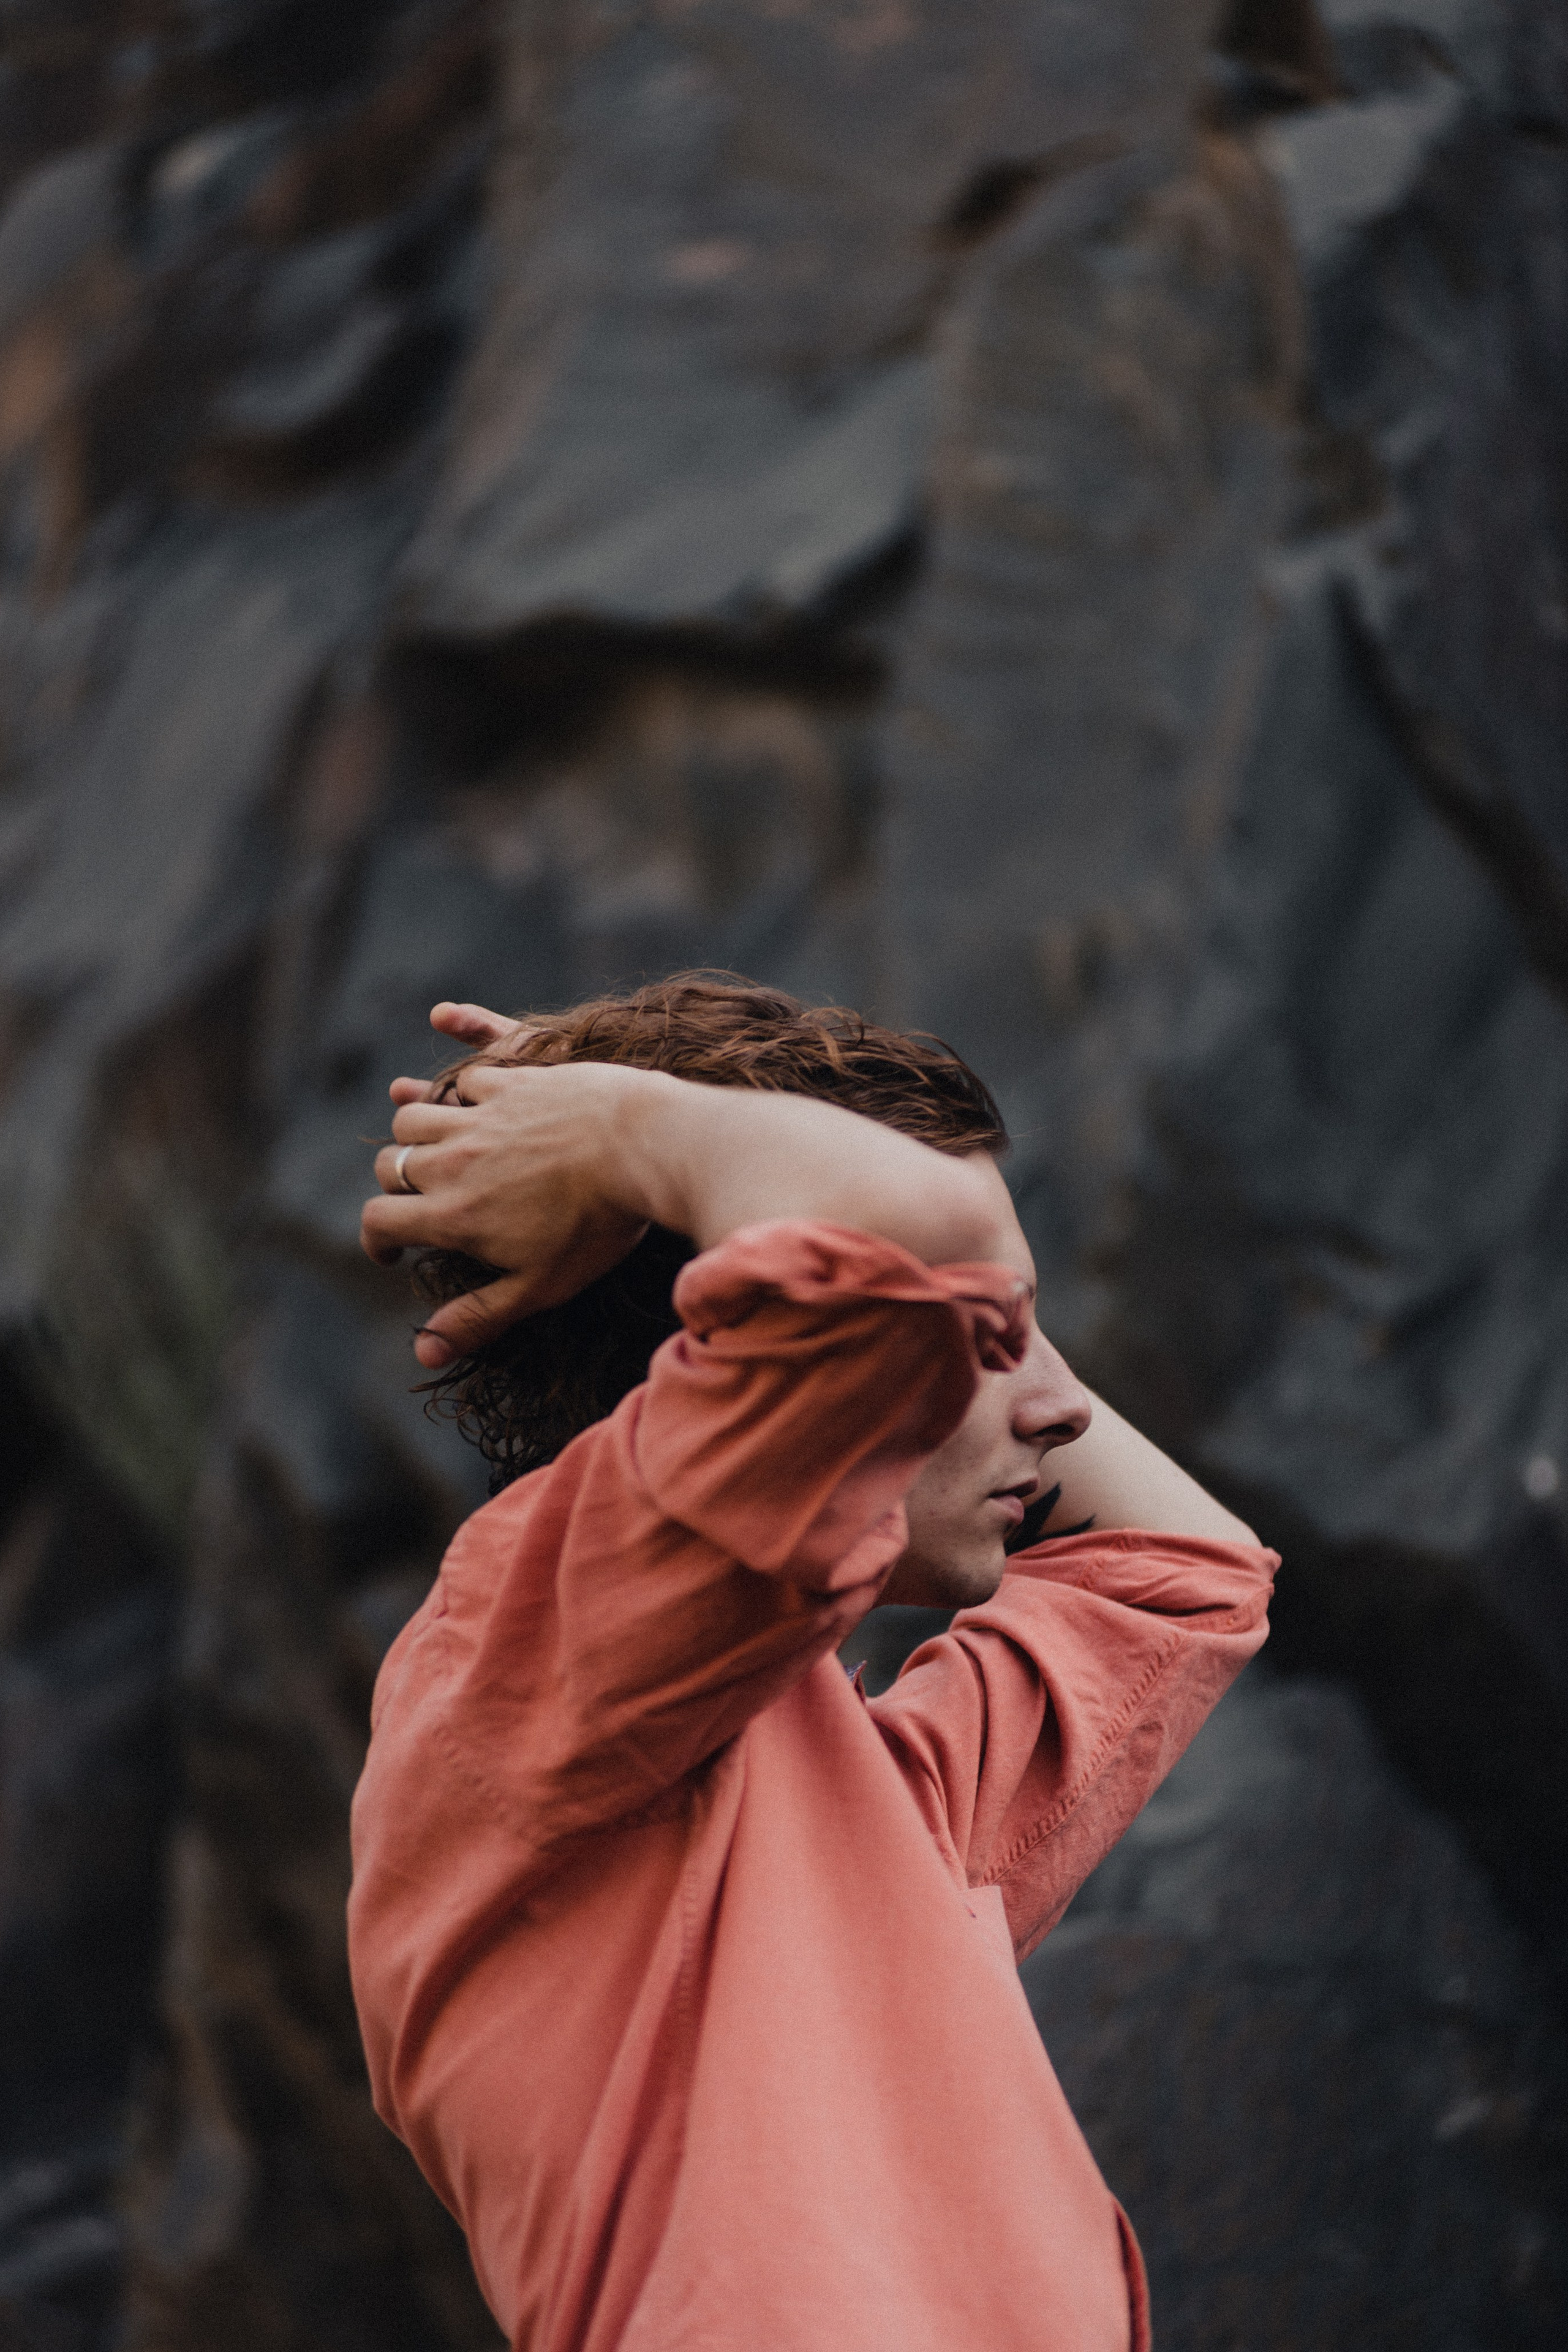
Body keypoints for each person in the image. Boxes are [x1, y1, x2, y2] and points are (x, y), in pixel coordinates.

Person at [349, 976, 1276, 2352]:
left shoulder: (876, 1799)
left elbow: (1179, 1570)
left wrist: (653, 1141)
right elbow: (917, 1250)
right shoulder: (528, 1657)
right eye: (984, 1334)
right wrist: (625, 1133)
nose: (1058, 1400)